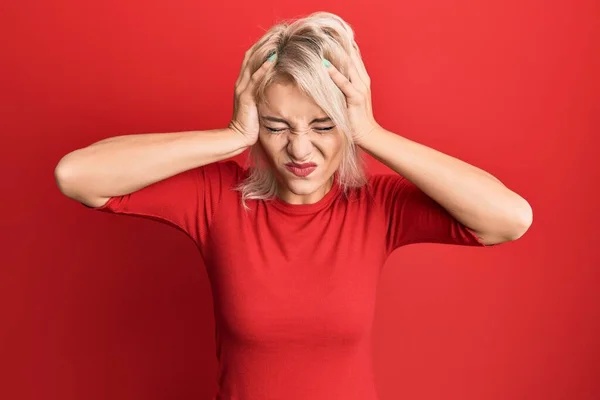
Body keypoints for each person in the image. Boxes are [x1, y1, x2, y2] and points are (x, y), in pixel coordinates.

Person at [54, 11, 532, 400]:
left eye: (323, 126)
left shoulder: (376, 206)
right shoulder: (217, 198)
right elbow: (76, 175)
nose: (300, 150)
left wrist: (372, 134)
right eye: (276, 127)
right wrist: (232, 137)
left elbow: (509, 219)